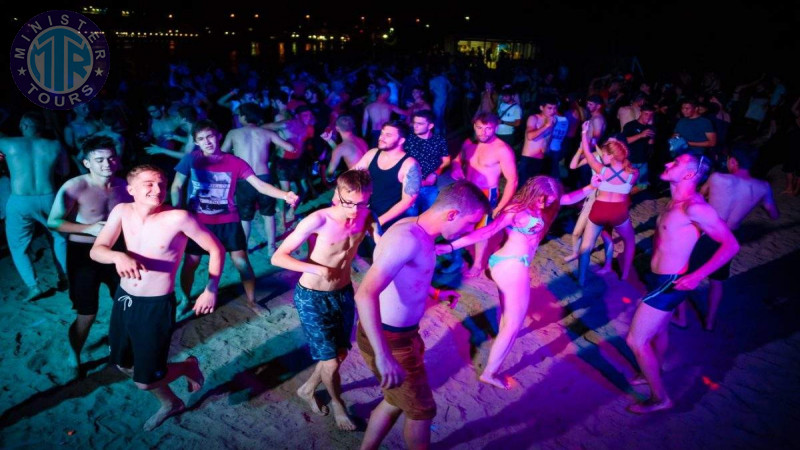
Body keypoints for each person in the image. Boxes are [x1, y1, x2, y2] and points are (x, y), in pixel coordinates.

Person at [355, 181, 489, 450]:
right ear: (452, 214)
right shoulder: (406, 238)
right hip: (390, 340)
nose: (469, 230)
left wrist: (436, 294)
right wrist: (383, 357)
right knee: (422, 411)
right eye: (469, 223)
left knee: (395, 401)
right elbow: (364, 294)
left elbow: (407, 278)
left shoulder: (422, 234)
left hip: (405, 336)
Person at [90, 164, 223, 430]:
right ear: (131, 189)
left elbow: (216, 249)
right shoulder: (122, 211)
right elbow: (97, 250)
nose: (158, 189)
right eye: (149, 183)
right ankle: (171, 403)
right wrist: (118, 255)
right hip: (124, 299)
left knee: (145, 381)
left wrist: (210, 289)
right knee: (124, 364)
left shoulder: (179, 218)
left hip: (155, 306)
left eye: (162, 183)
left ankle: (186, 366)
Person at [437, 176, 597, 388]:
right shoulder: (516, 210)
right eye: (542, 199)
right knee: (514, 324)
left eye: (549, 201)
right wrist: (450, 247)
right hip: (512, 265)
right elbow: (487, 231)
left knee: (508, 316)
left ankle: (498, 343)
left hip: (510, 264)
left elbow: (567, 198)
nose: (545, 204)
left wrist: (591, 185)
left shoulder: (548, 203)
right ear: (532, 192)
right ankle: (490, 373)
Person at [626, 153, 738, 413]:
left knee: (636, 340)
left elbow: (730, 244)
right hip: (658, 278)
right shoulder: (673, 201)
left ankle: (659, 398)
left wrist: (698, 275)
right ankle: (651, 369)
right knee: (660, 331)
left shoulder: (694, 207)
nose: (667, 163)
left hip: (670, 284)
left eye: (675, 163)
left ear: (689, 175)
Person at [271, 170, 375, 431]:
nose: (355, 209)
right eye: (349, 202)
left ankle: (307, 389)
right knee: (330, 361)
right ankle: (339, 404)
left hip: (343, 292)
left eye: (362, 203)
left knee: (338, 355)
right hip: (312, 296)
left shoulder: (366, 217)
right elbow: (278, 257)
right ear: (337, 194)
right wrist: (315, 268)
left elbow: (384, 243)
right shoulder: (317, 220)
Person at [171, 120, 298, 313]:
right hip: (198, 222)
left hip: (228, 221)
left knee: (241, 262)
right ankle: (185, 300)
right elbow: (177, 186)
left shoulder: (235, 162)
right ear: (196, 142)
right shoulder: (191, 159)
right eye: (202, 139)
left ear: (219, 136)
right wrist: (178, 212)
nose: (207, 142)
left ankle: (252, 301)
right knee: (191, 263)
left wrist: (284, 194)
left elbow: (260, 185)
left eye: (210, 136)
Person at [47, 136, 131, 378]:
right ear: (87, 162)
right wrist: (89, 229)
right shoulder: (75, 186)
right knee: (87, 312)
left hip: (116, 252)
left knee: (124, 303)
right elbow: (53, 222)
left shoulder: (124, 186)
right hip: (83, 255)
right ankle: (74, 353)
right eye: (100, 159)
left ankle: (116, 343)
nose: (107, 163)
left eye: (111, 158)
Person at [675, 144, 779, 330]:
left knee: (684, 273)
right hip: (731, 237)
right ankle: (710, 322)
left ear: (733, 161)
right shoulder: (763, 186)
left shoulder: (718, 178)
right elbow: (773, 214)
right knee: (717, 280)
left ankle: (682, 318)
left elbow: (701, 194)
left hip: (707, 234)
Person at [0, 111, 69, 300]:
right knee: (59, 238)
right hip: (49, 197)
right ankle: (65, 277)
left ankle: (33, 286)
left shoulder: (8, 144)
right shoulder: (55, 145)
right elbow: (64, 170)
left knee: (18, 246)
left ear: (24, 125)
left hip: (20, 199)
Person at [221, 103, 295, 254]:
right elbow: (290, 148)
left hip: (243, 179)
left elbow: (221, 154)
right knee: (268, 215)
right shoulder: (266, 132)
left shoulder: (234, 133)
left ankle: (244, 247)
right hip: (264, 177)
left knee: (245, 217)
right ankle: (271, 247)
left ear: (243, 116)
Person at [451, 112, 518, 277]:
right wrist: (457, 167)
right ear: (474, 126)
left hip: (486, 193)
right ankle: (456, 260)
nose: (483, 132)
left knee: (481, 230)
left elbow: (512, 181)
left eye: (488, 128)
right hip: (467, 189)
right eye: (480, 127)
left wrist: (501, 206)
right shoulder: (469, 143)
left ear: (496, 128)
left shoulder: (502, 150)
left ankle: (477, 264)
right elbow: (457, 160)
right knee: (457, 226)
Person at [577, 123, 638, 286]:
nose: (601, 157)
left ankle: (581, 279)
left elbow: (587, 152)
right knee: (630, 241)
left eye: (604, 154)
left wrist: (584, 132)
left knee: (586, 246)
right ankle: (625, 275)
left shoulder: (601, 170)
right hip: (618, 212)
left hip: (599, 210)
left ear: (611, 156)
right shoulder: (633, 173)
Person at [354, 120, 421, 230]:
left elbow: (407, 201)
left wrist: (379, 221)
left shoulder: (409, 165)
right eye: (382, 133)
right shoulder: (373, 153)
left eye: (388, 135)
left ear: (401, 141)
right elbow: (351, 175)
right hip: (367, 212)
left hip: (390, 220)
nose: (381, 137)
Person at [403, 110, 450, 214]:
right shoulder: (408, 140)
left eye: (420, 124)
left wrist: (435, 173)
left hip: (430, 187)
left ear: (430, 126)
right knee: (410, 217)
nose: (415, 126)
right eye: (414, 123)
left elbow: (446, 160)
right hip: (410, 188)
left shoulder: (439, 140)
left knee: (429, 216)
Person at [519, 96, 558, 186]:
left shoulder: (553, 120)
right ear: (541, 108)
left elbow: (548, 137)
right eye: (549, 108)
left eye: (555, 108)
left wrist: (546, 150)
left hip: (541, 158)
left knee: (536, 187)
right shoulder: (533, 118)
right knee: (524, 186)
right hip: (529, 158)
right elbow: (530, 136)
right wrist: (546, 126)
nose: (552, 111)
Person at [322, 115, 368, 179]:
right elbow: (342, 151)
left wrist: (326, 174)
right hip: (370, 176)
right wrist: (329, 140)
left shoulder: (341, 148)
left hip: (360, 181)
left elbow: (330, 172)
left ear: (337, 128)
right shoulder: (361, 140)